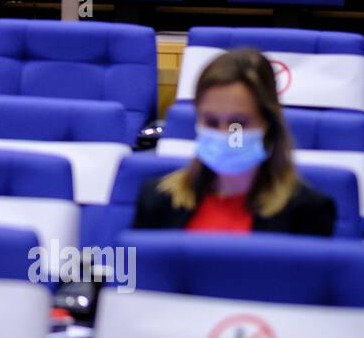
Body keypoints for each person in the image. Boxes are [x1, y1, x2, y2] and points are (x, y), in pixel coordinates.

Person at [135, 48, 336, 235]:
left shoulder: (308, 211)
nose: (226, 135)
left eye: (237, 124)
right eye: (211, 122)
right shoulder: (157, 200)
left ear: (268, 124)